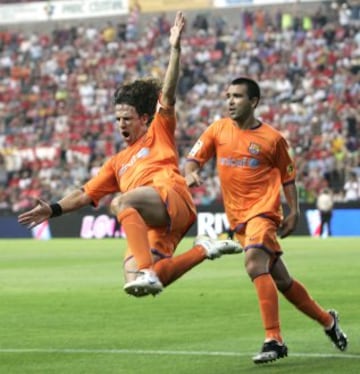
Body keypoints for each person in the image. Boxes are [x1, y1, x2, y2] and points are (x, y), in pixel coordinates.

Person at [18, 12, 242, 298]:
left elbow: (169, 92)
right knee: (135, 284)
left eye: (127, 118)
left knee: (122, 201)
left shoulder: (158, 129)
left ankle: (148, 268)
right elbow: (85, 193)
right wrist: (54, 209)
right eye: (118, 119)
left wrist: (175, 49)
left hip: (171, 196)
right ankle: (203, 249)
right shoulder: (117, 163)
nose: (121, 124)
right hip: (153, 222)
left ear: (144, 118)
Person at [185, 77, 348, 364]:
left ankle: (274, 338)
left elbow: (288, 177)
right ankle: (328, 321)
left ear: (254, 102)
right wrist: (191, 172)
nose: (230, 101)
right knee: (282, 280)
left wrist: (294, 211)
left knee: (253, 263)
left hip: (264, 212)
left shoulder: (273, 139)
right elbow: (194, 158)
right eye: (228, 96)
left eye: (237, 96)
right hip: (238, 219)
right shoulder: (217, 129)